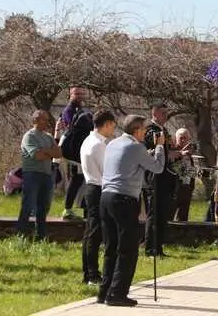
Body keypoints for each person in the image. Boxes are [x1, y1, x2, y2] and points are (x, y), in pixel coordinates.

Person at [98, 115, 167, 307]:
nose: (146, 133)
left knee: (111, 247)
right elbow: (158, 168)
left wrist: (147, 153)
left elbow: (128, 165)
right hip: (123, 200)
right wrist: (160, 146)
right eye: (144, 130)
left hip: (106, 197)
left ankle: (104, 292)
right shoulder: (137, 147)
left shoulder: (113, 143)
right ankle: (117, 294)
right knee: (128, 249)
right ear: (136, 130)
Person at [79, 109, 117, 285]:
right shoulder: (98, 145)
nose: (113, 130)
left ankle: (88, 271)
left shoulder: (89, 140)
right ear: (107, 124)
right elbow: (107, 170)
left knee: (90, 232)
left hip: (91, 186)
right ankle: (92, 274)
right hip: (98, 187)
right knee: (95, 233)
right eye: (113, 126)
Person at [17, 110, 61, 240]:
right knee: (28, 204)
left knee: (44, 205)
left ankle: (40, 235)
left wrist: (45, 151)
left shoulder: (48, 136)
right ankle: (21, 234)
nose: (47, 122)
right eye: (44, 119)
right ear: (36, 120)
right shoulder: (29, 136)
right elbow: (37, 155)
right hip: (32, 174)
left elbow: (58, 153)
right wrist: (49, 152)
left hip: (46, 174)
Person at [142, 104, 176, 257]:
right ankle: (151, 249)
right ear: (154, 113)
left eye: (166, 113)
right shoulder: (151, 130)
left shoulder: (162, 130)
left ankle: (159, 247)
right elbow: (154, 151)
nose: (165, 116)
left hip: (164, 177)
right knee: (154, 214)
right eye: (163, 113)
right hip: (154, 177)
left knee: (162, 214)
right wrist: (173, 153)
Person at [57, 87, 93, 220]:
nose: (79, 96)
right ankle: (68, 209)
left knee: (81, 181)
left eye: (81, 93)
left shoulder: (82, 110)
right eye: (76, 93)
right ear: (70, 95)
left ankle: (83, 209)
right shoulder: (69, 110)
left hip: (81, 153)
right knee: (76, 181)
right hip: (74, 154)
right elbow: (70, 129)